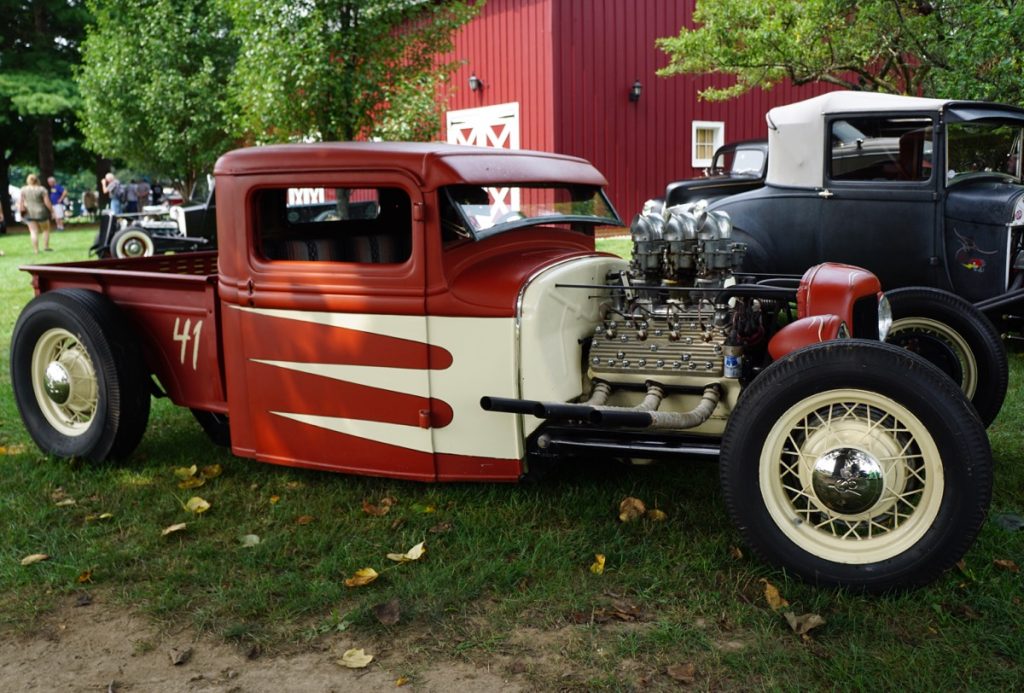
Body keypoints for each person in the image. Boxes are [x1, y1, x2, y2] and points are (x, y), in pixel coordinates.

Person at [18, 174, 54, 253]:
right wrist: (52, 211)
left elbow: (21, 202)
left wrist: (21, 211)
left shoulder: (23, 189)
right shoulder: (42, 189)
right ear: (37, 180)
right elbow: (47, 202)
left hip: (29, 213)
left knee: (33, 231)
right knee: (46, 230)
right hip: (41, 212)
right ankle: (46, 247)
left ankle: (36, 250)